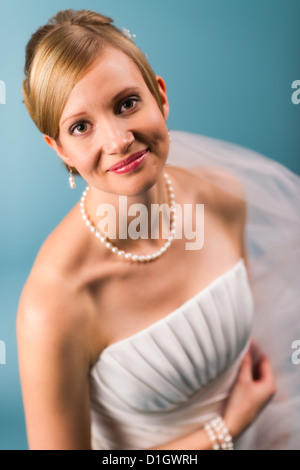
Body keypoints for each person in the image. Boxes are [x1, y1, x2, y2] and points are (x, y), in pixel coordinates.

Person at [16, 9, 300, 450]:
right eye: (81, 127)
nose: (117, 140)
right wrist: (226, 429)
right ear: (60, 149)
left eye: (127, 103)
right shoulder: (54, 304)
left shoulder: (224, 197)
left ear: (160, 97)